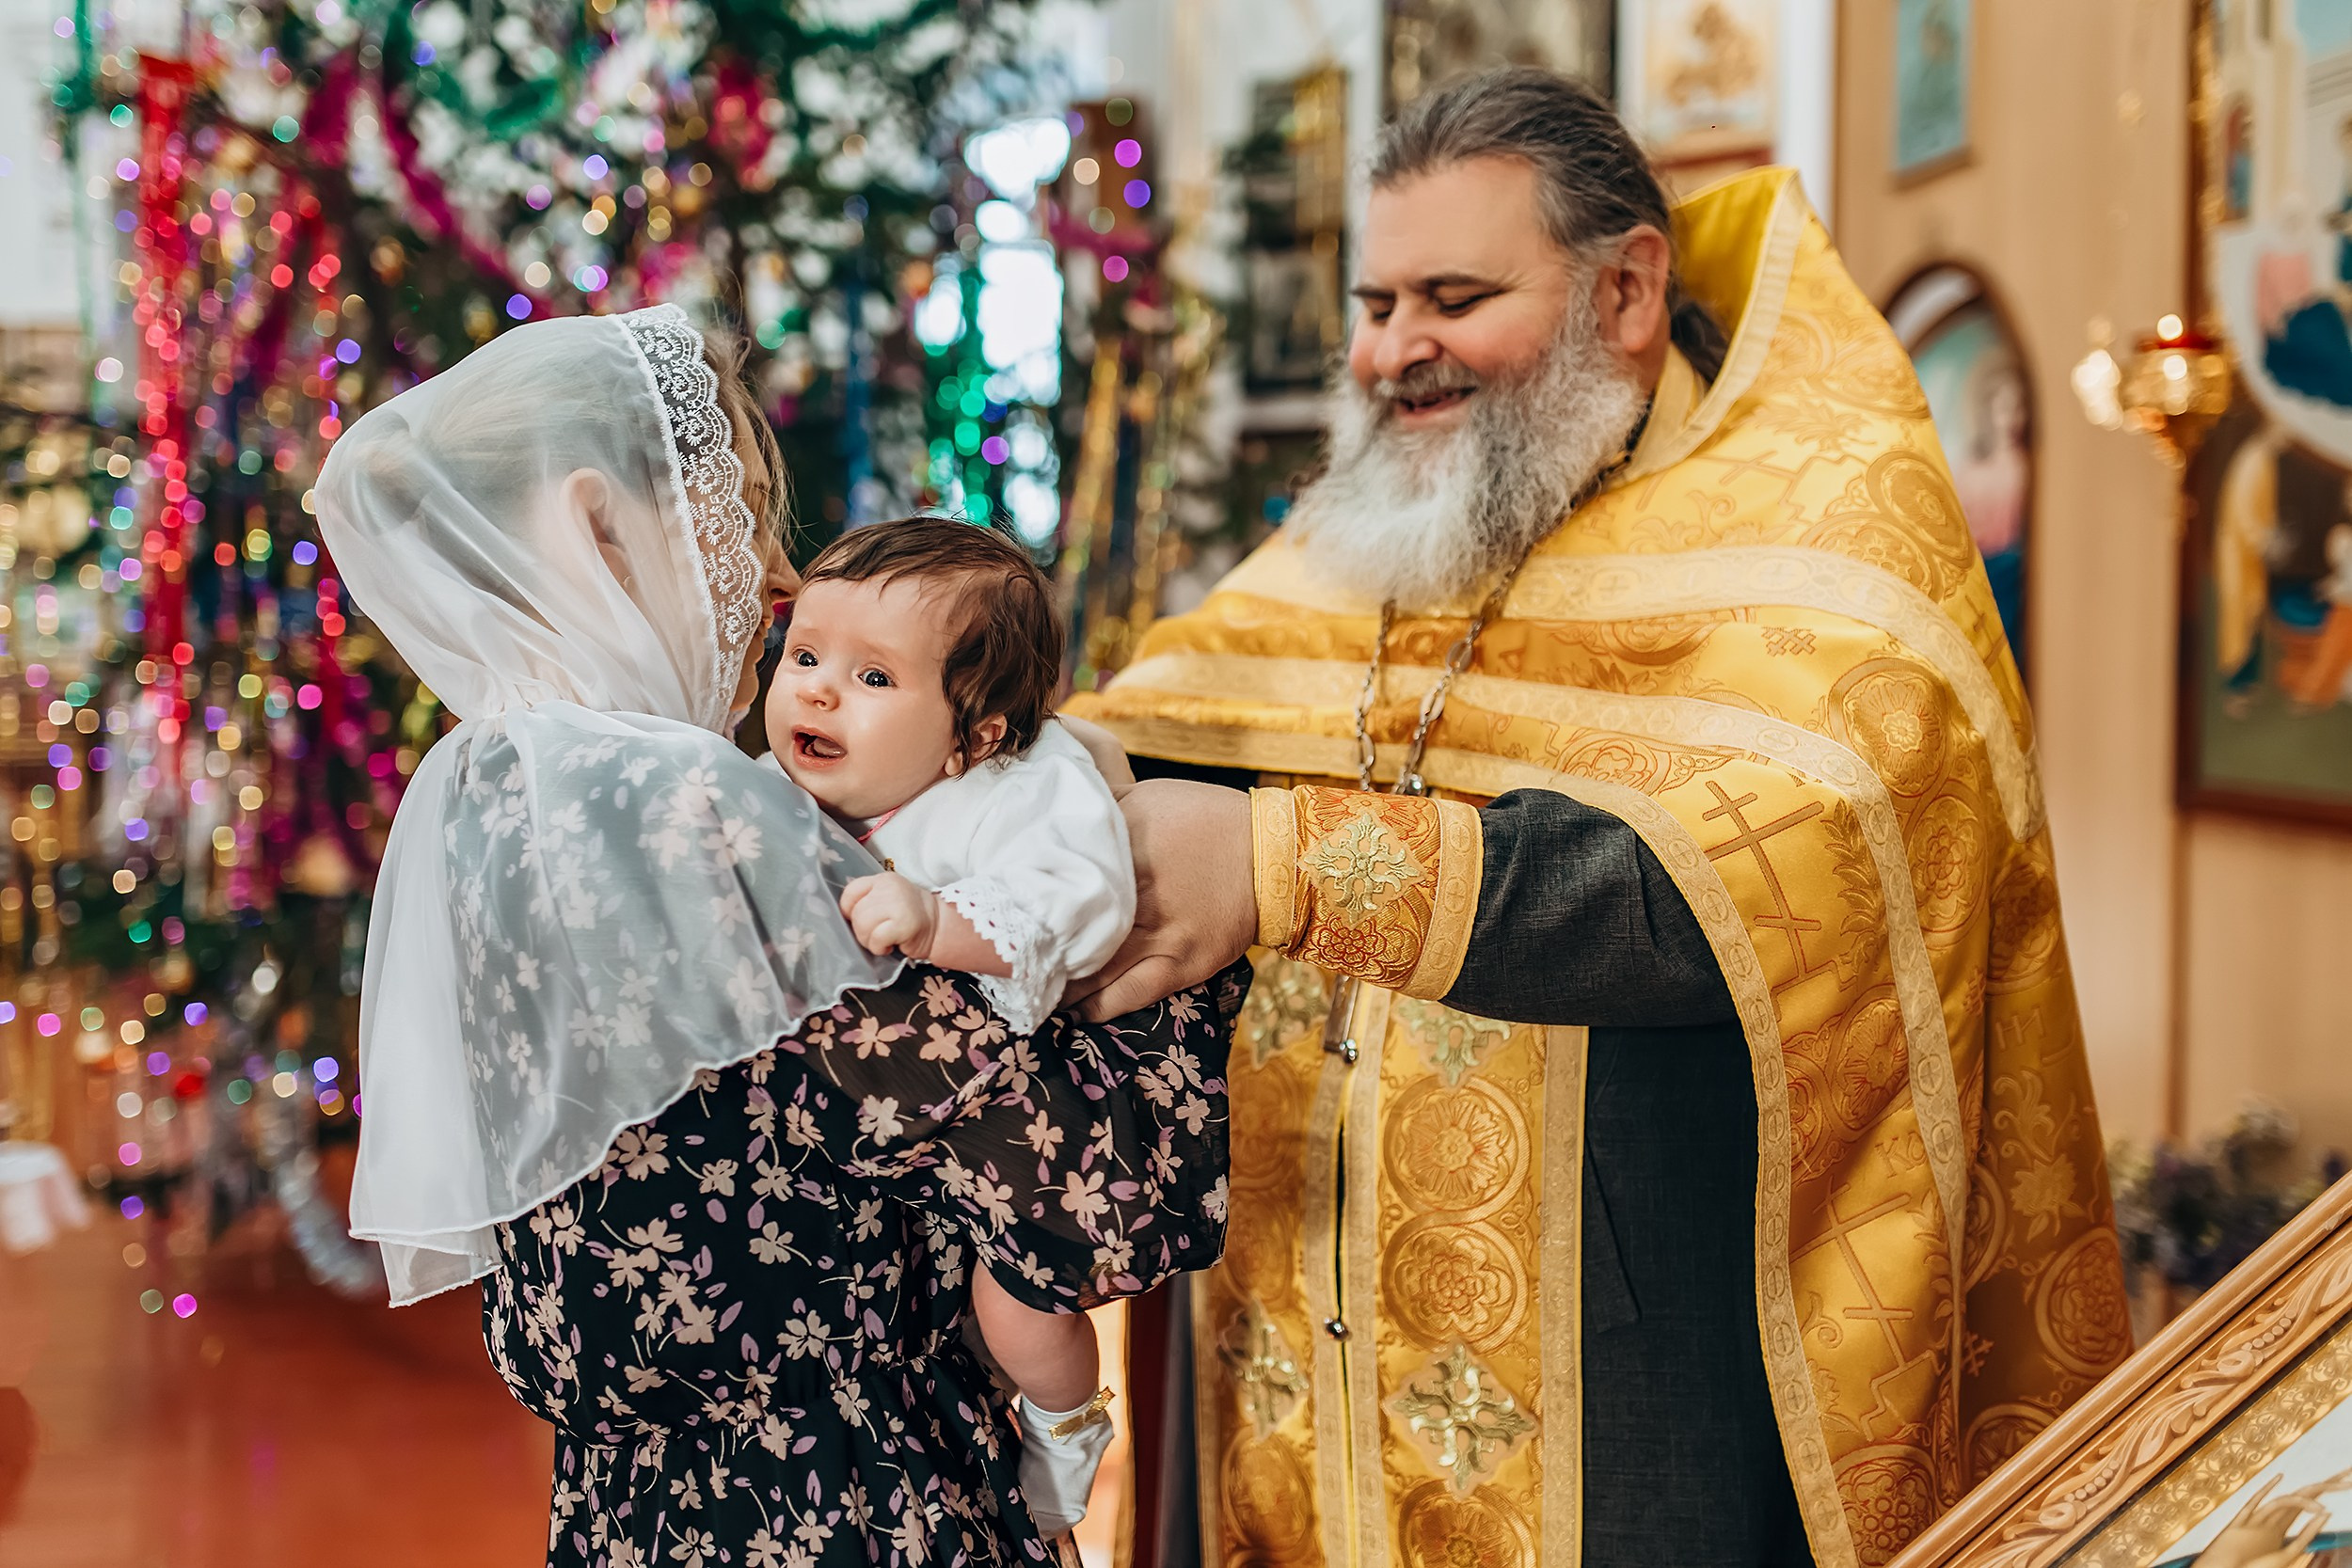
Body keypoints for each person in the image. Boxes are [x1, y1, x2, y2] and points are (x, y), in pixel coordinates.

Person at [1068, 68, 2129, 1568]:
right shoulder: (1390, 514)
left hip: (1627, 1404)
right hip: (1302, 1346)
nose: (1392, 352)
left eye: (1452, 294)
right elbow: (1188, 711)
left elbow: (1732, 891)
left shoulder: (1820, 533)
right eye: (1374, 304)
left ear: (1628, 288)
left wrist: (1286, 864)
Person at [316, 303, 1242, 1567]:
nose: (772, 577)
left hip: (640, 1504)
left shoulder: (485, 784)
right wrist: (1183, 888)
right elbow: (1067, 1179)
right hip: (845, 1494)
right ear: (596, 524)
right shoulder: (692, 809)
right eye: (740, 514)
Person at [769, 516, 1152, 1524]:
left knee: (1015, 1304)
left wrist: (943, 919)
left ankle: (1067, 1432)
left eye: (874, 678)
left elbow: (1084, 892)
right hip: (892, 1114)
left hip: (1023, 1105)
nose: (814, 688)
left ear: (975, 733)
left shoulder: (1026, 781)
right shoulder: (784, 784)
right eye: (804, 654)